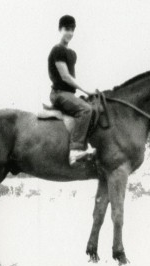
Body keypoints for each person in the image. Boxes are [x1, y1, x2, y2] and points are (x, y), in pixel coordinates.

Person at [48, 15, 97, 166]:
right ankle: (74, 151)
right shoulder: (57, 50)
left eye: (72, 30)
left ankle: (87, 147)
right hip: (59, 94)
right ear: (59, 29)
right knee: (86, 110)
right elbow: (66, 77)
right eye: (66, 29)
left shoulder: (72, 54)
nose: (69, 33)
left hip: (69, 94)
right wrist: (86, 90)